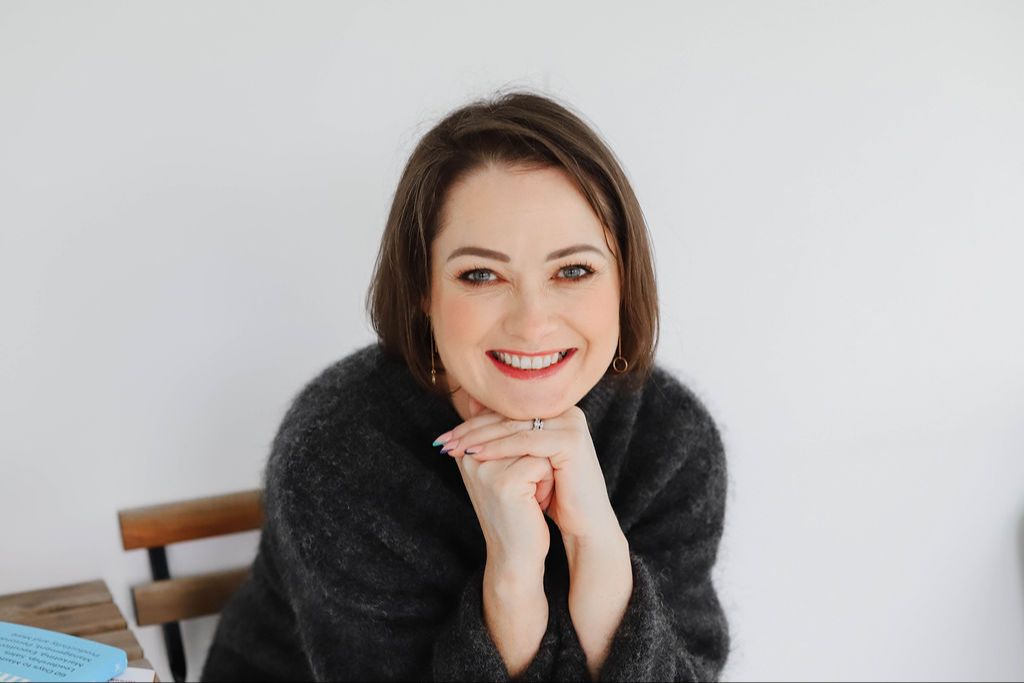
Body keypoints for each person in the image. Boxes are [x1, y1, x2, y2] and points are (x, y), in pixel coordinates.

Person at [200, 90, 730, 682]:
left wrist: (599, 553)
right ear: (422, 290)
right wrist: (511, 580)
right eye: (481, 275)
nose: (532, 323)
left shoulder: (670, 438)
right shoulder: (337, 452)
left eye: (573, 270)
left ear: (624, 282)